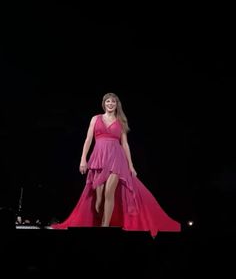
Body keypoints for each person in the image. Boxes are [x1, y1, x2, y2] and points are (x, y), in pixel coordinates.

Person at [51, 92, 181, 237]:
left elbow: (125, 144)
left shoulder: (120, 121)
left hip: (116, 159)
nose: (110, 104)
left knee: (109, 193)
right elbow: (88, 139)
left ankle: (105, 227)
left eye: (113, 102)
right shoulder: (95, 118)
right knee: (98, 201)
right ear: (104, 104)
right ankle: (103, 221)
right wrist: (83, 159)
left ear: (116, 104)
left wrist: (131, 165)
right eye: (108, 102)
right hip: (98, 158)